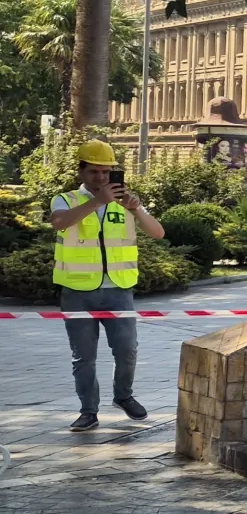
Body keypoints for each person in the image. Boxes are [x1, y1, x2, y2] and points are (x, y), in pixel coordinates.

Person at [49, 140, 166, 432]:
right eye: (94, 171)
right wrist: (97, 201)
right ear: (81, 172)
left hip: (118, 288)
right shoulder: (66, 199)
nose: (101, 177)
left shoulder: (124, 201)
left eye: (106, 171)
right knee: (83, 357)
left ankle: (123, 396)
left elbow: (158, 233)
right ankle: (88, 411)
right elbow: (59, 223)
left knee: (127, 350)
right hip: (77, 291)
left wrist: (137, 210)